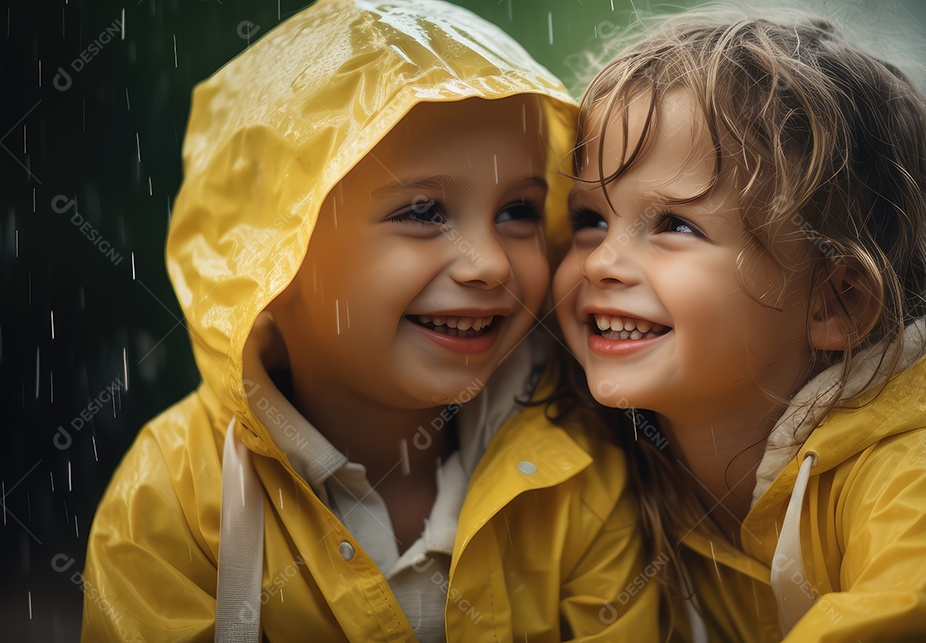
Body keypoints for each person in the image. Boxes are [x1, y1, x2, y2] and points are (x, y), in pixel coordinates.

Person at [81, 1, 659, 640]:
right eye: (422, 212)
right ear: (269, 254)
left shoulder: (579, 472)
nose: (490, 264)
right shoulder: (174, 502)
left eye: (519, 210)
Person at [552, 9, 926, 641]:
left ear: (837, 304)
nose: (604, 262)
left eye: (675, 225)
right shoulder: (600, 453)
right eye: (588, 218)